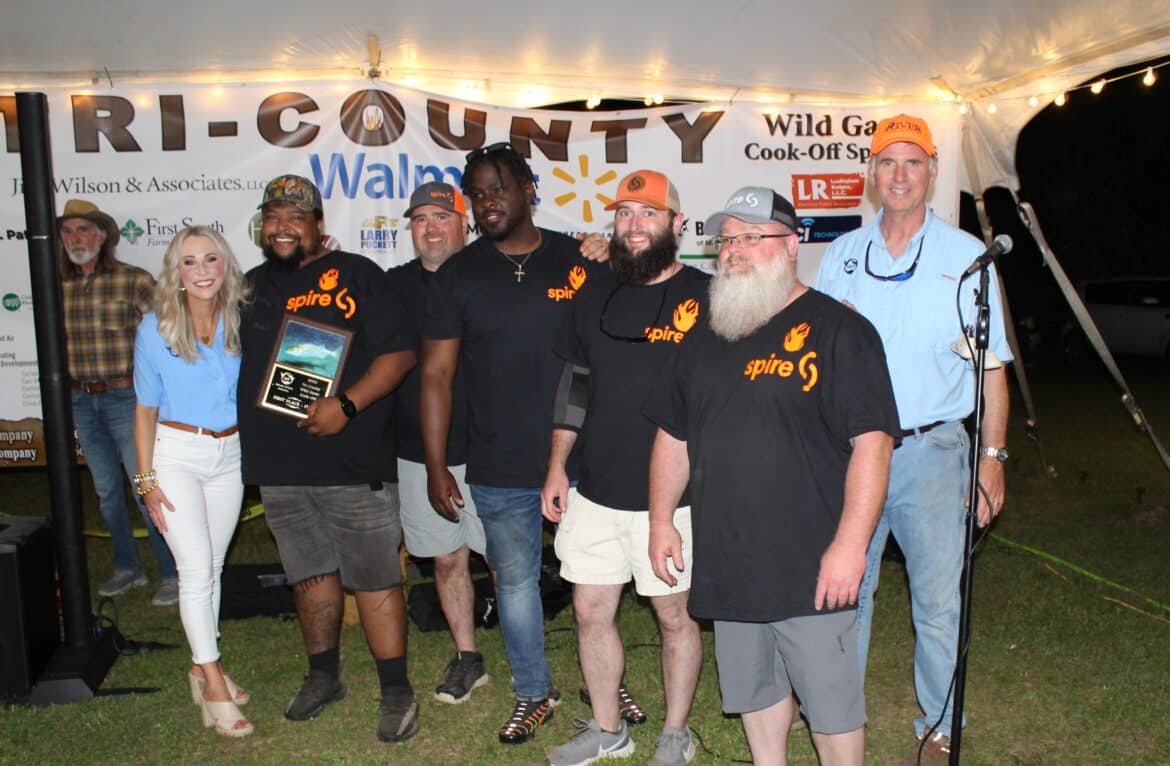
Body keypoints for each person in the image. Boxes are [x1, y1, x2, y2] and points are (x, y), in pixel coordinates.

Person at [646, 187, 900, 766]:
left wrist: (850, 545)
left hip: (810, 562)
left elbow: (874, 445)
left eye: (751, 238)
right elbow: (673, 434)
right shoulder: (704, 336)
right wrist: (661, 519)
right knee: (754, 690)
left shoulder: (841, 331)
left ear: (790, 246)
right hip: (729, 558)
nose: (734, 251)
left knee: (831, 708)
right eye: (727, 240)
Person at [816, 114, 1012, 764]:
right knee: (846, 594)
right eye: (887, 162)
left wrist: (991, 460)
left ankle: (939, 727)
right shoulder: (842, 255)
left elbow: (992, 370)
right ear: (871, 174)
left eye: (913, 162)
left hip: (934, 452)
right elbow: (814, 359)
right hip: (853, 454)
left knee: (936, 603)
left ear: (932, 171)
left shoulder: (966, 258)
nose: (900, 175)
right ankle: (839, 719)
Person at [420, 143, 603, 745]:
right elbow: (437, 375)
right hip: (498, 460)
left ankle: (605, 680)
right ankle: (533, 689)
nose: (487, 202)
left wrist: (609, 252)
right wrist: (437, 464)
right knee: (515, 582)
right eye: (477, 193)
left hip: (583, 457)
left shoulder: (578, 258)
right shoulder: (458, 275)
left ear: (529, 190)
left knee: (595, 579)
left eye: (498, 188)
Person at [236, 175, 419, 743]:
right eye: (273, 216)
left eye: (296, 216)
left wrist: (347, 404)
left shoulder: (357, 274)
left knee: (374, 577)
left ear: (318, 225)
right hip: (280, 468)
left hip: (353, 464)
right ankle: (324, 676)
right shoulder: (248, 287)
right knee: (308, 574)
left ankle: (396, 689)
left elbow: (399, 355)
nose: (282, 226)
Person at [542, 170, 706, 766]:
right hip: (595, 489)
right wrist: (557, 466)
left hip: (675, 498)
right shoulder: (593, 291)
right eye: (625, 214)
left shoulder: (709, 296)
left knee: (673, 615)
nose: (635, 226)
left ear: (677, 224)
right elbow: (575, 385)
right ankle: (609, 729)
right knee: (590, 611)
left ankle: (675, 732)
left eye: (649, 213)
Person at [132, 226, 252, 736]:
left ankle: (203, 666)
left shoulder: (241, 319)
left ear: (225, 265)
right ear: (175, 272)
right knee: (196, 569)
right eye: (189, 261)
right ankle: (213, 681)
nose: (202, 270)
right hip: (176, 454)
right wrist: (146, 481)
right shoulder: (154, 327)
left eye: (210, 259)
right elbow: (144, 411)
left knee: (214, 567)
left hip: (232, 454)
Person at [386, 182, 489, 705]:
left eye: (442, 217)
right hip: (419, 452)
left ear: (465, 224)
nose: (430, 228)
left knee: (506, 561)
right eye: (420, 218)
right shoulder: (391, 287)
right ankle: (467, 655)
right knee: (446, 558)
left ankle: (528, 658)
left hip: (494, 448)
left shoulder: (494, 275)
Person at [58, 198, 179, 605]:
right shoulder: (57, 286)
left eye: (83, 229)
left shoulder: (134, 281)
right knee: (106, 492)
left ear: (102, 235)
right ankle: (128, 568)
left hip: (127, 399)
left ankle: (172, 572)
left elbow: (168, 335)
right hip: (80, 399)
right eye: (68, 231)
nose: (75, 238)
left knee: (145, 487)